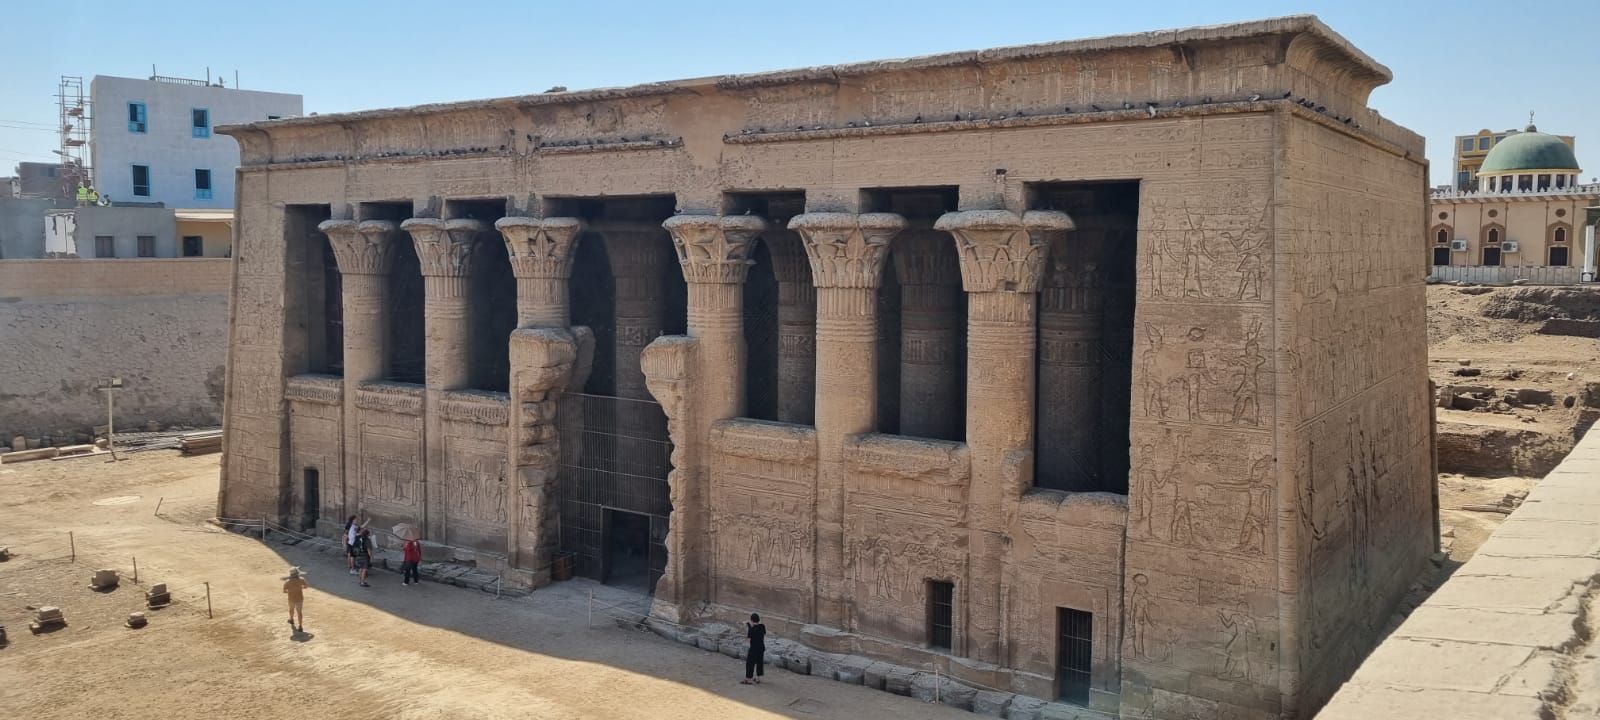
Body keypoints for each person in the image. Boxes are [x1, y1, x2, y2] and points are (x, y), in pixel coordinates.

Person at [742, 613, 766, 684]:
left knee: (750, 663)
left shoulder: (751, 629)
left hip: (754, 649)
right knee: (759, 662)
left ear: (752, 620)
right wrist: (749, 625)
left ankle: (748, 679)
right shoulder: (762, 626)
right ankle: (758, 678)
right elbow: (762, 633)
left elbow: (749, 639)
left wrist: (747, 626)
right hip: (761, 647)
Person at [282, 566, 308, 632]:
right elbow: (306, 586)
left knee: (291, 609)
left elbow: (284, 591)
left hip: (291, 598)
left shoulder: (287, 582)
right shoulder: (301, 579)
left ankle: (291, 619)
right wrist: (300, 588)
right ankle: (300, 626)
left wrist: (290, 591)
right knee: (299, 612)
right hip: (300, 598)